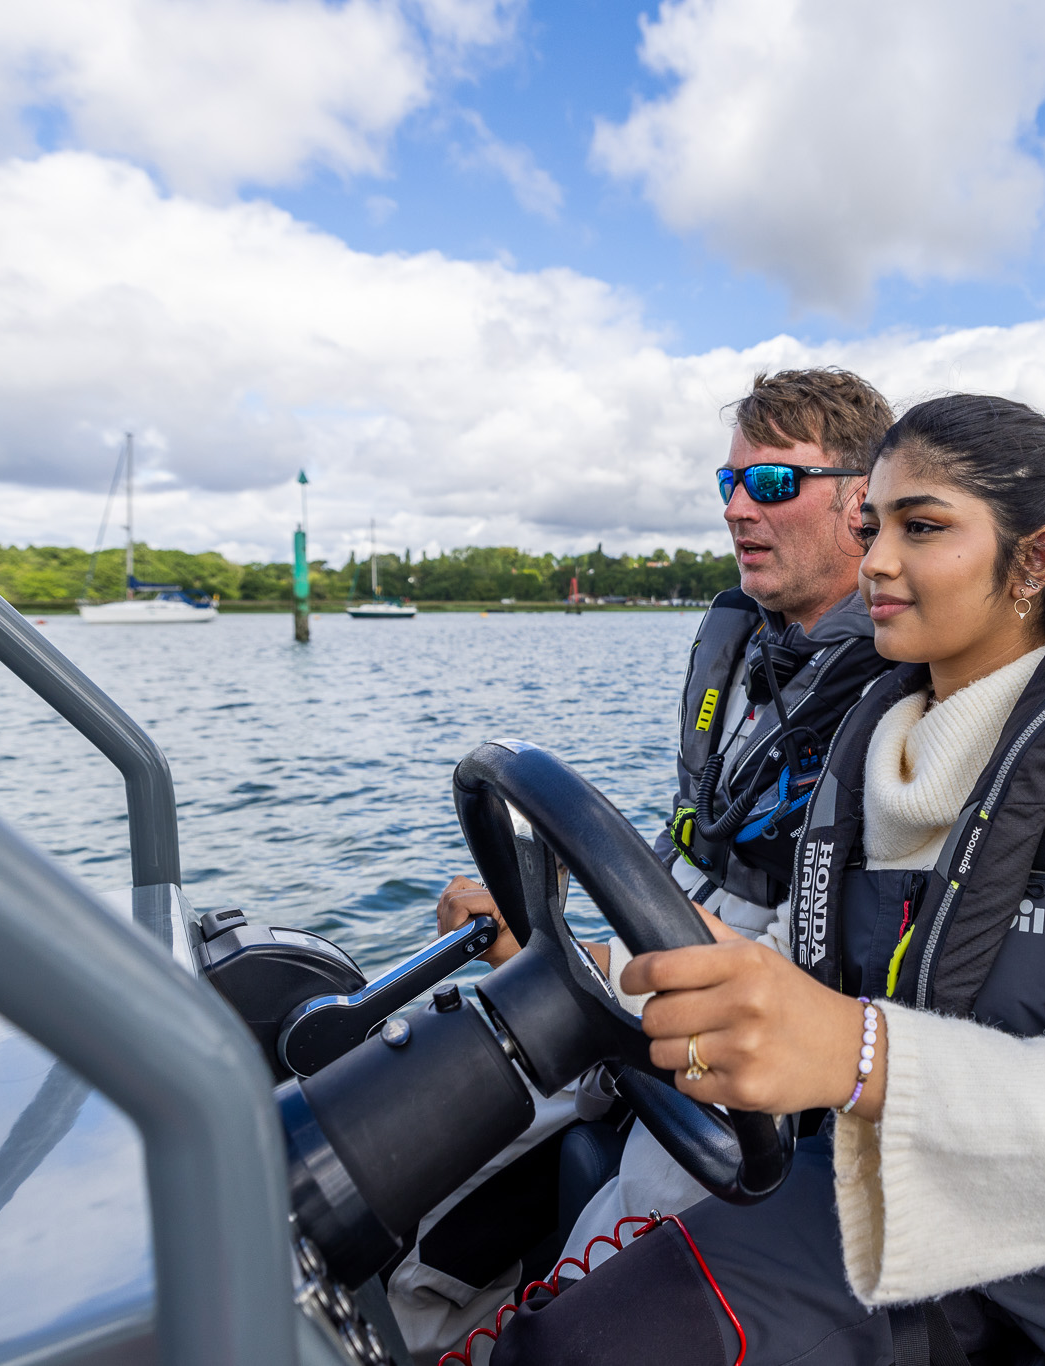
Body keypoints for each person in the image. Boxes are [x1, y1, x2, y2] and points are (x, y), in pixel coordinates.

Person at [489, 395, 1045, 1365]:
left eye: (920, 528)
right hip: (907, 1212)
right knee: (573, 1345)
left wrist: (853, 1049)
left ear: (1032, 560)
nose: (877, 558)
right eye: (875, 524)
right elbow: (801, 970)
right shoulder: (873, 748)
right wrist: (609, 964)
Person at [391, 369, 899, 1359]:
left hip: (760, 1043)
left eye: (775, 485)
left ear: (860, 502)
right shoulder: (751, 661)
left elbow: (790, 968)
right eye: (729, 484)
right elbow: (684, 865)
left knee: (628, 1228)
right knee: (431, 1104)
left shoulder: (894, 698)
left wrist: (584, 965)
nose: (738, 509)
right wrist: (559, 944)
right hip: (658, 966)